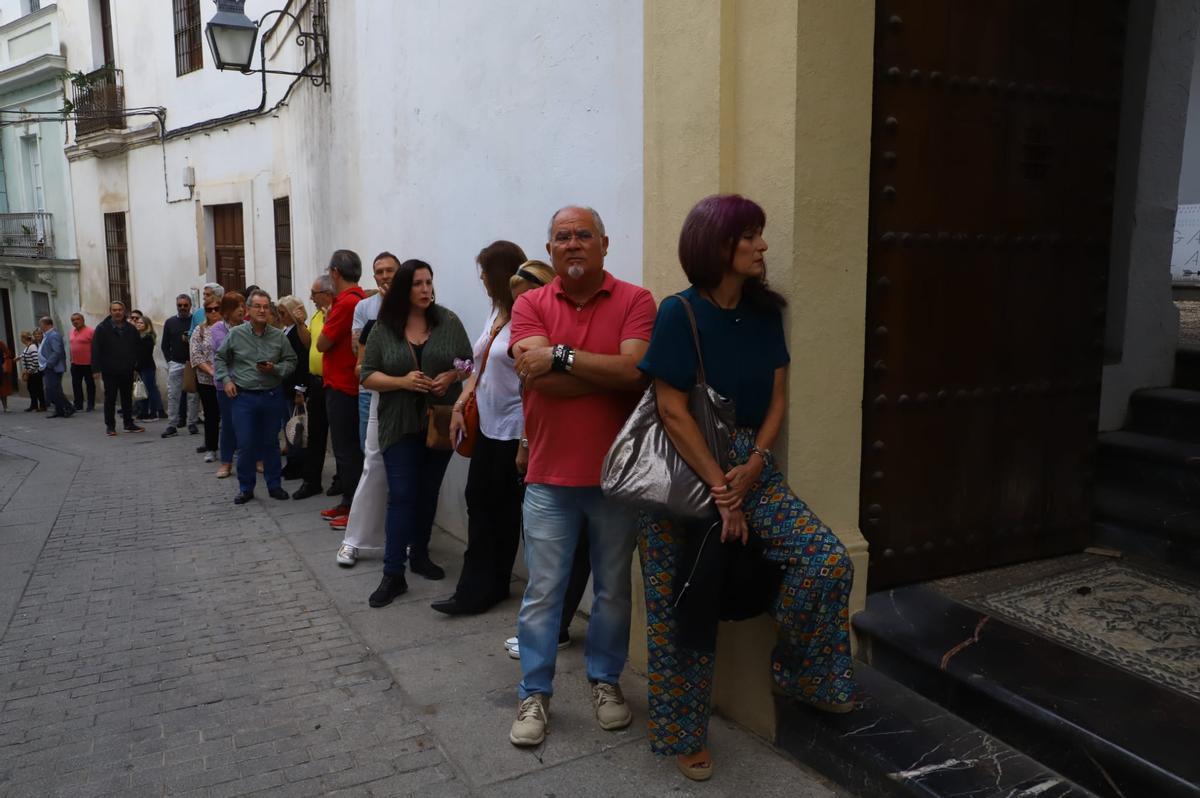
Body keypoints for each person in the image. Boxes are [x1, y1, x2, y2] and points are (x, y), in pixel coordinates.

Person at [638, 195, 856, 781]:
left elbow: (778, 396)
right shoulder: (677, 313)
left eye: (760, 236)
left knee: (826, 562)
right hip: (683, 473)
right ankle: (682, 734)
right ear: (718, 247)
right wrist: (721, 490)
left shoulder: (765, 313)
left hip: (749, 466)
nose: (763, 247)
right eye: (751, 237)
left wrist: (756, 463)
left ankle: (799, 670)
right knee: (679, 604)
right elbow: (671, 407)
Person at [506, 206, 656, 748]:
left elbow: (635, 372)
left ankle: (605, 682)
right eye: (562, 236)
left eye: (583, 235)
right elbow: (537, 378)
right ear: (549, 249)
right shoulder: (529, 303)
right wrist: (604, 372)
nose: (573, 244)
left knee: (614, 591)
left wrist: (562, 357)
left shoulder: (636, 300)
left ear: (604, 243)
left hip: (617, 479)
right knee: (543, 592)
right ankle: (535, 693)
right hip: (549, 478)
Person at [360, 259, 472, 607]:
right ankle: (393, 574)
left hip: (439, 422)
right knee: (403, 495)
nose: (426, 290)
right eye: (418, 284)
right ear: (405, 289)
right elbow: (366, 374)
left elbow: (467, 362)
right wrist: (402, 382)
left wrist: (451, 377)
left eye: (429, 283)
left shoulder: (448, 321)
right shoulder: (384, 327)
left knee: (427, 491)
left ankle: (420, 554)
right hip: (399, 422)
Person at [432, 244, 534, 614]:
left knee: (502, 510)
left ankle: (482, 589)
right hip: (488, 425)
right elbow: (479, 366)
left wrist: (526, 439)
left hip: (513, 428)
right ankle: (480, 584)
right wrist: (460, 404)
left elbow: (530, 384)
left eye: (484, 272)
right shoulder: (497, 311)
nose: (481, 279)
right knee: (479, 501)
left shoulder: (527, 315)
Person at [335, 253, 399, 565]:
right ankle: (357, 539)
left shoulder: (415, 303)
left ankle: (396, 536)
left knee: (402, 469)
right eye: (379, 272)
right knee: (371, 463)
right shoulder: (365, 307)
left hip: (404, 395)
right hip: (369, 394)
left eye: (390, 271)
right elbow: (358, 355)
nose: (385, 276)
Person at [214, 289, 297, 504]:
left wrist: (276, 369)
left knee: (270, 443)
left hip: (271, 395)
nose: (262, 310)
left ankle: (274, 485)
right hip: (244, 398)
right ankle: (246, 488)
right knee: (246, 443)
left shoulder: (278, 336)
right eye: (257, 306)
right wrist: (226, 380)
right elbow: (220, 358)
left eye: (265, 307)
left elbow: (291, 361)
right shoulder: (236, 334)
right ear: (248, 310)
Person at [316, 250, 366, 520]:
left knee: (346, 450)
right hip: (350, 383)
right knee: (349, 449)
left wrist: (326, 320)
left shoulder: (346, 303)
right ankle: (349, 502)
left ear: (335, 272)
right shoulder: (360, 299)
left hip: (342, 384)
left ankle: (352, 506)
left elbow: (323, 343)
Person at [293, 276, 334, 499]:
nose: (310, 297)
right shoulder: (318, 314)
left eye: (314, 293)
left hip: (333, 383)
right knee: (316, 434)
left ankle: (341, 481)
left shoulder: (335, 313)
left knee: (340, 437)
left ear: (327, 293)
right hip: (316, 382)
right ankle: (311, 482)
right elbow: (309, 343)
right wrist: (300, 324)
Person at [91, 301, 145, 436]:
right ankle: (110, 426)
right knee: (110, 398)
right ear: (110, 311)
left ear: (124, 311)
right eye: (114, 310)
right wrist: (95, 369)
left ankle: (128, 423)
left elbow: (137, 348)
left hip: (127, 369)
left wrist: (136, 365)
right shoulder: (102, 328)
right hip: (109, 370)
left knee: (127, 398)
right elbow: (96, 349)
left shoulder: (131, 329)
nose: (117, 312)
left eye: (120, 309)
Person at [211, 292, 246, 479]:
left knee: (249, 424)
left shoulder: (248, 326)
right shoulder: (217, 328)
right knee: (228, 424)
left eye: (242, 305)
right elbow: (226, 350)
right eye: (236, 306)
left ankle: (255, 459)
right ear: (227, 311)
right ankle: (226, 462)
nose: (241, 309)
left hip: (245, 382)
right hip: (224, 384)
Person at [276, 294, 310, 480]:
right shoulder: (286, 330)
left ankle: (297, 464)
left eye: (283, 312)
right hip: (286, 386)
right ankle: (293, 461)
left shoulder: (297, 332)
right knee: (289, 426)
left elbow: (302, 362)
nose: (280, 316)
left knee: (296, 428)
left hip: (295, 387)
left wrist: (300, 389)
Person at [190, 299, 222, 463]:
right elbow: (195, 355)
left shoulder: (228, 328)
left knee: (230, 415)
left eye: (217, 308)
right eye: (210, 310)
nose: (214, 312)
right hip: (207, 381)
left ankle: (233, 447)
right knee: (211, 415)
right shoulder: (200, 330)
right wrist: (211, 371)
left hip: (227, 380)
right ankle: (211, 448)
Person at [162, 293, 196, 437]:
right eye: (179, 305)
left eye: (185, 305)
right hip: (175, 363)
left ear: (190, 306)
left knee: (193, 396)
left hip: (192, 363)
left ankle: (192, 423)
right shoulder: (170, 322)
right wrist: (170, 361)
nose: (182, 308)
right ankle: (172, 425)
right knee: (173, 395)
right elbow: (164, 345)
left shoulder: (196, 321)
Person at [130, 311, 165, 420]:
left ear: (147, 325)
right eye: (138, 323)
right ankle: (144, 411)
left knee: (150, 389)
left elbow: (144, 354)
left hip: (147, 367)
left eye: (141, 323)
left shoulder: (148, 337)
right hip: (140, 367)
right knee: (141, 390)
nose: (138, 324)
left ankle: (155, 412)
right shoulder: (137, 336)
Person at [38, 317, 73, 419]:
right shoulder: (47, 335)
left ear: (46, 324)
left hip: (53, 367)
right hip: (48, 366)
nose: (40, 327)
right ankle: (59, 410)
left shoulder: (53, 335)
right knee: (54, 389)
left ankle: (68, 407)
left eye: (41, 325)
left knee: (52, 389)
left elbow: (57, 351)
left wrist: (49, 364)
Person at [68, 313, 96, 412]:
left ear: (83, 320)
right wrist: (71, 358)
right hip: (75, 363)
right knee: (76, 384)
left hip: (88, 363)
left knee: (90, 385)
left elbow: (96, 348)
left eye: (77, 319)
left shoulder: (91, 331)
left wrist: (96, 363)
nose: (75, 321)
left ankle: (91, 404)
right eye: (73, 320)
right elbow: (71, 346)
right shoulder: (71, 332)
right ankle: (78, 404)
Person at [20, 331, 44, 412]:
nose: (21, 340)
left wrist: (29, 370)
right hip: (30, 372)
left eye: (22, 338)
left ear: (24, 338)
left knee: (38, 389)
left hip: (35, 372)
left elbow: (35, 360)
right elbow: (25, 355)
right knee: (31, 389)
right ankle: (34, 405)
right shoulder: (27, 347)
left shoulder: (32, 347)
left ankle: (42, 405)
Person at [0, 340, 13, 412]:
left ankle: (5, 406)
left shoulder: (0, 343)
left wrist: (3, 359)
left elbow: (7, 353)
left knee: (2, 389)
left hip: (0, 370)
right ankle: (5, 407)